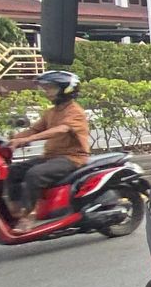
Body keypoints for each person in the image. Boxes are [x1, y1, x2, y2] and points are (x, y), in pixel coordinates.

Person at [6, 70, 90, 230]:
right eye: (46, 88)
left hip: (71, 158)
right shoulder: (51, 112)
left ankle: (27, 216)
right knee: (12, 171)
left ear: (65, 89)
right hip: (51, 157)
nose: (47, 92)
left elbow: (61, 129)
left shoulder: (75, 112)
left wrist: (28, 140)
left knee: (35, 174)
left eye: (51, 88)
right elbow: (34, 129)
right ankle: (15, 212)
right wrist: (12, 140)